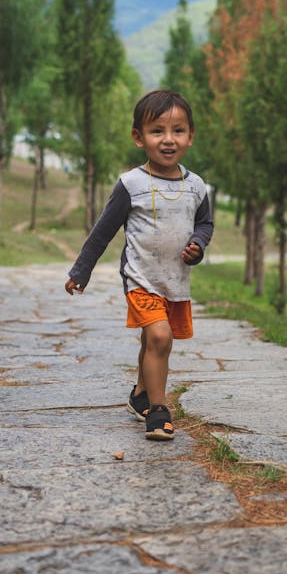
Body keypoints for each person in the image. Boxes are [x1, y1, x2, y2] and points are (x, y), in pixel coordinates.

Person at [65, 89, 213, 441]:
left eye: (178, 130)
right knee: (160, 337)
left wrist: (198, 245)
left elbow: (204, 224)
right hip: (140, 278)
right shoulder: (131, 184)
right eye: (157, 130)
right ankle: (159, 411)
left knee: (152, 340)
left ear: (190, 136)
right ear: (138, 137)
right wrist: (80, 271)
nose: (168, 139)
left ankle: (139, 396)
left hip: (174, 280)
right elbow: (103, 231)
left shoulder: (196, 187)